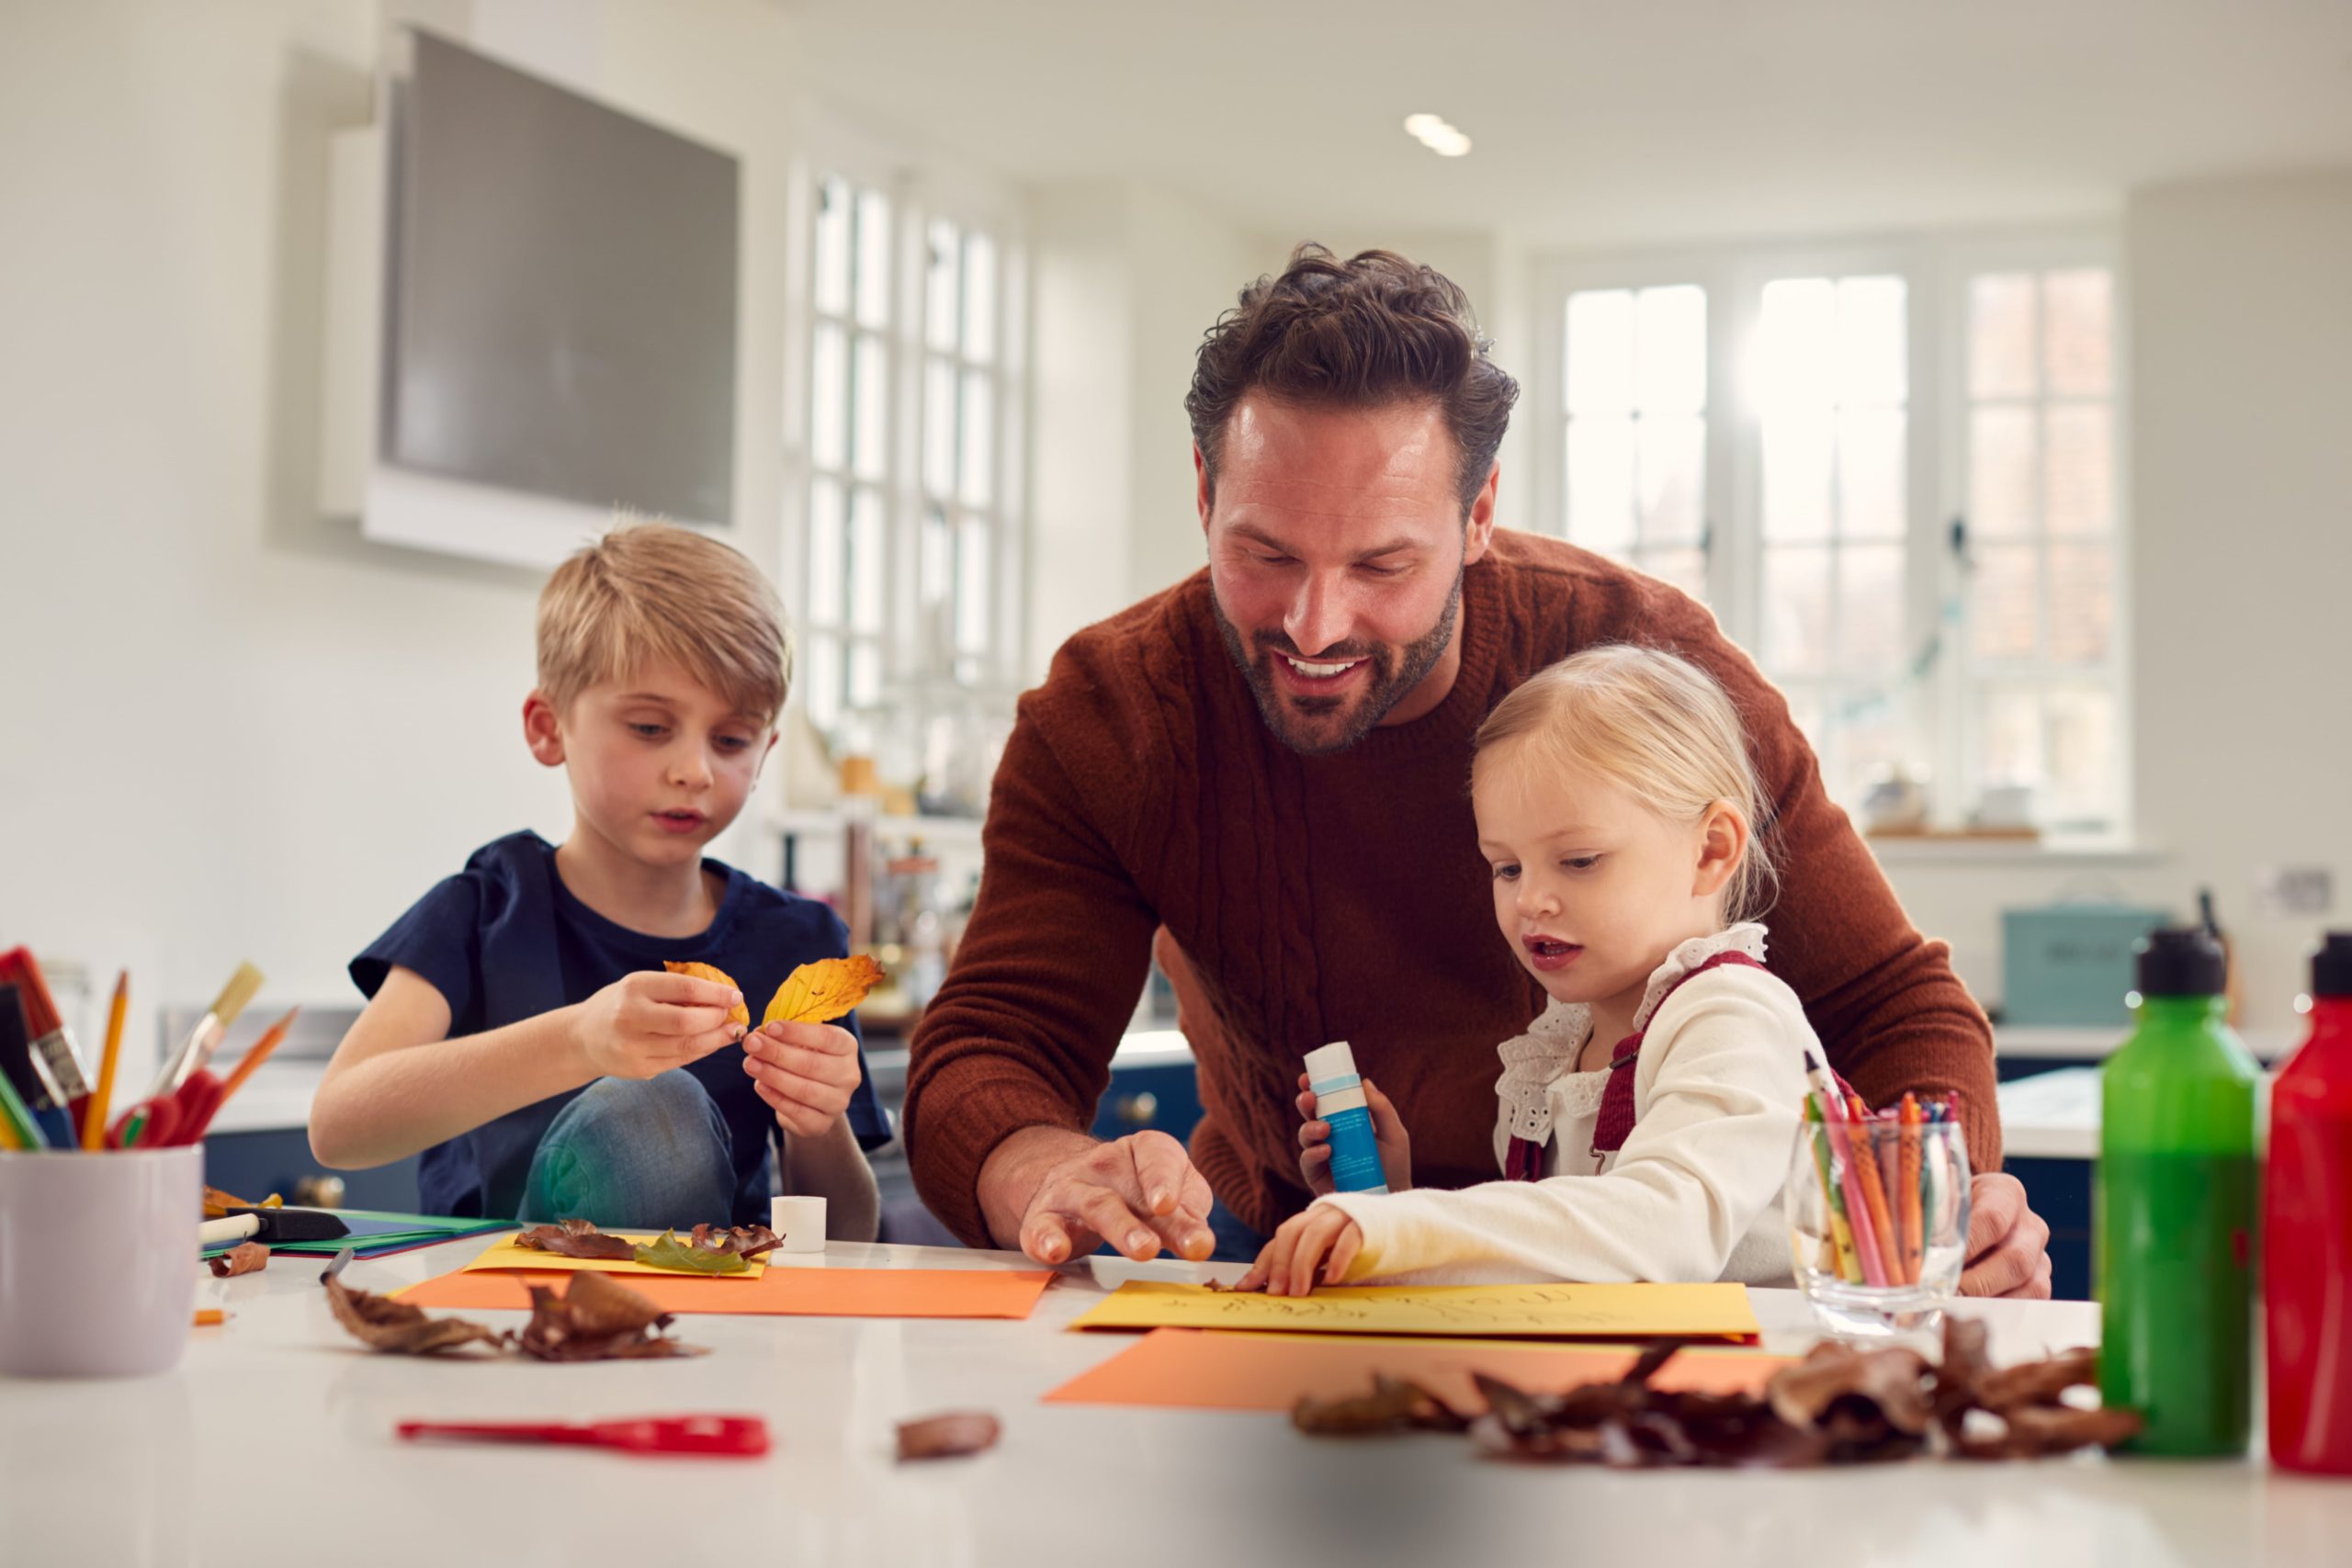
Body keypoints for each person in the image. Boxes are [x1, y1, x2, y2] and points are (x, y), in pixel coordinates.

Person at [904, 245, 2052, 1298]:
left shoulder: (1644, 664)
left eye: (1382, 564)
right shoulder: (1112, 716)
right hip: (1293, 1255)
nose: (1313, 622)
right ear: (1204, 493)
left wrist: (1935, 1200)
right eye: (1264, 555)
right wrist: (1044, 1173)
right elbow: (991, 1050)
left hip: (1643, 1298)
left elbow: (1890, 1005)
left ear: (1478, 517)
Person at [310, 521, 888, 1236]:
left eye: (732, 739)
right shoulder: (486, 909)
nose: (695, 770)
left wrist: (818, 1122)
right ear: (548, 727)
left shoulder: (796, 939)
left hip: (715, 1331)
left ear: (765, 750)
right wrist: (578, 1040)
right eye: (650, 727)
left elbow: (852, 1236)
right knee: (653, 1109)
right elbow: (339, 1124)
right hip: (505, 1310)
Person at [1241, 645, 1820, 1292]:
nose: (1528, 900)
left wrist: (1414, 1228)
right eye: (1506, 866)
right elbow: (1569, 1253)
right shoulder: (1559, 1042)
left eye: (1578, 860)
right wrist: (1386, 1199)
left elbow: (1664, 1231)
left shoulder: (1735, 1016)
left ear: (1711, 851)